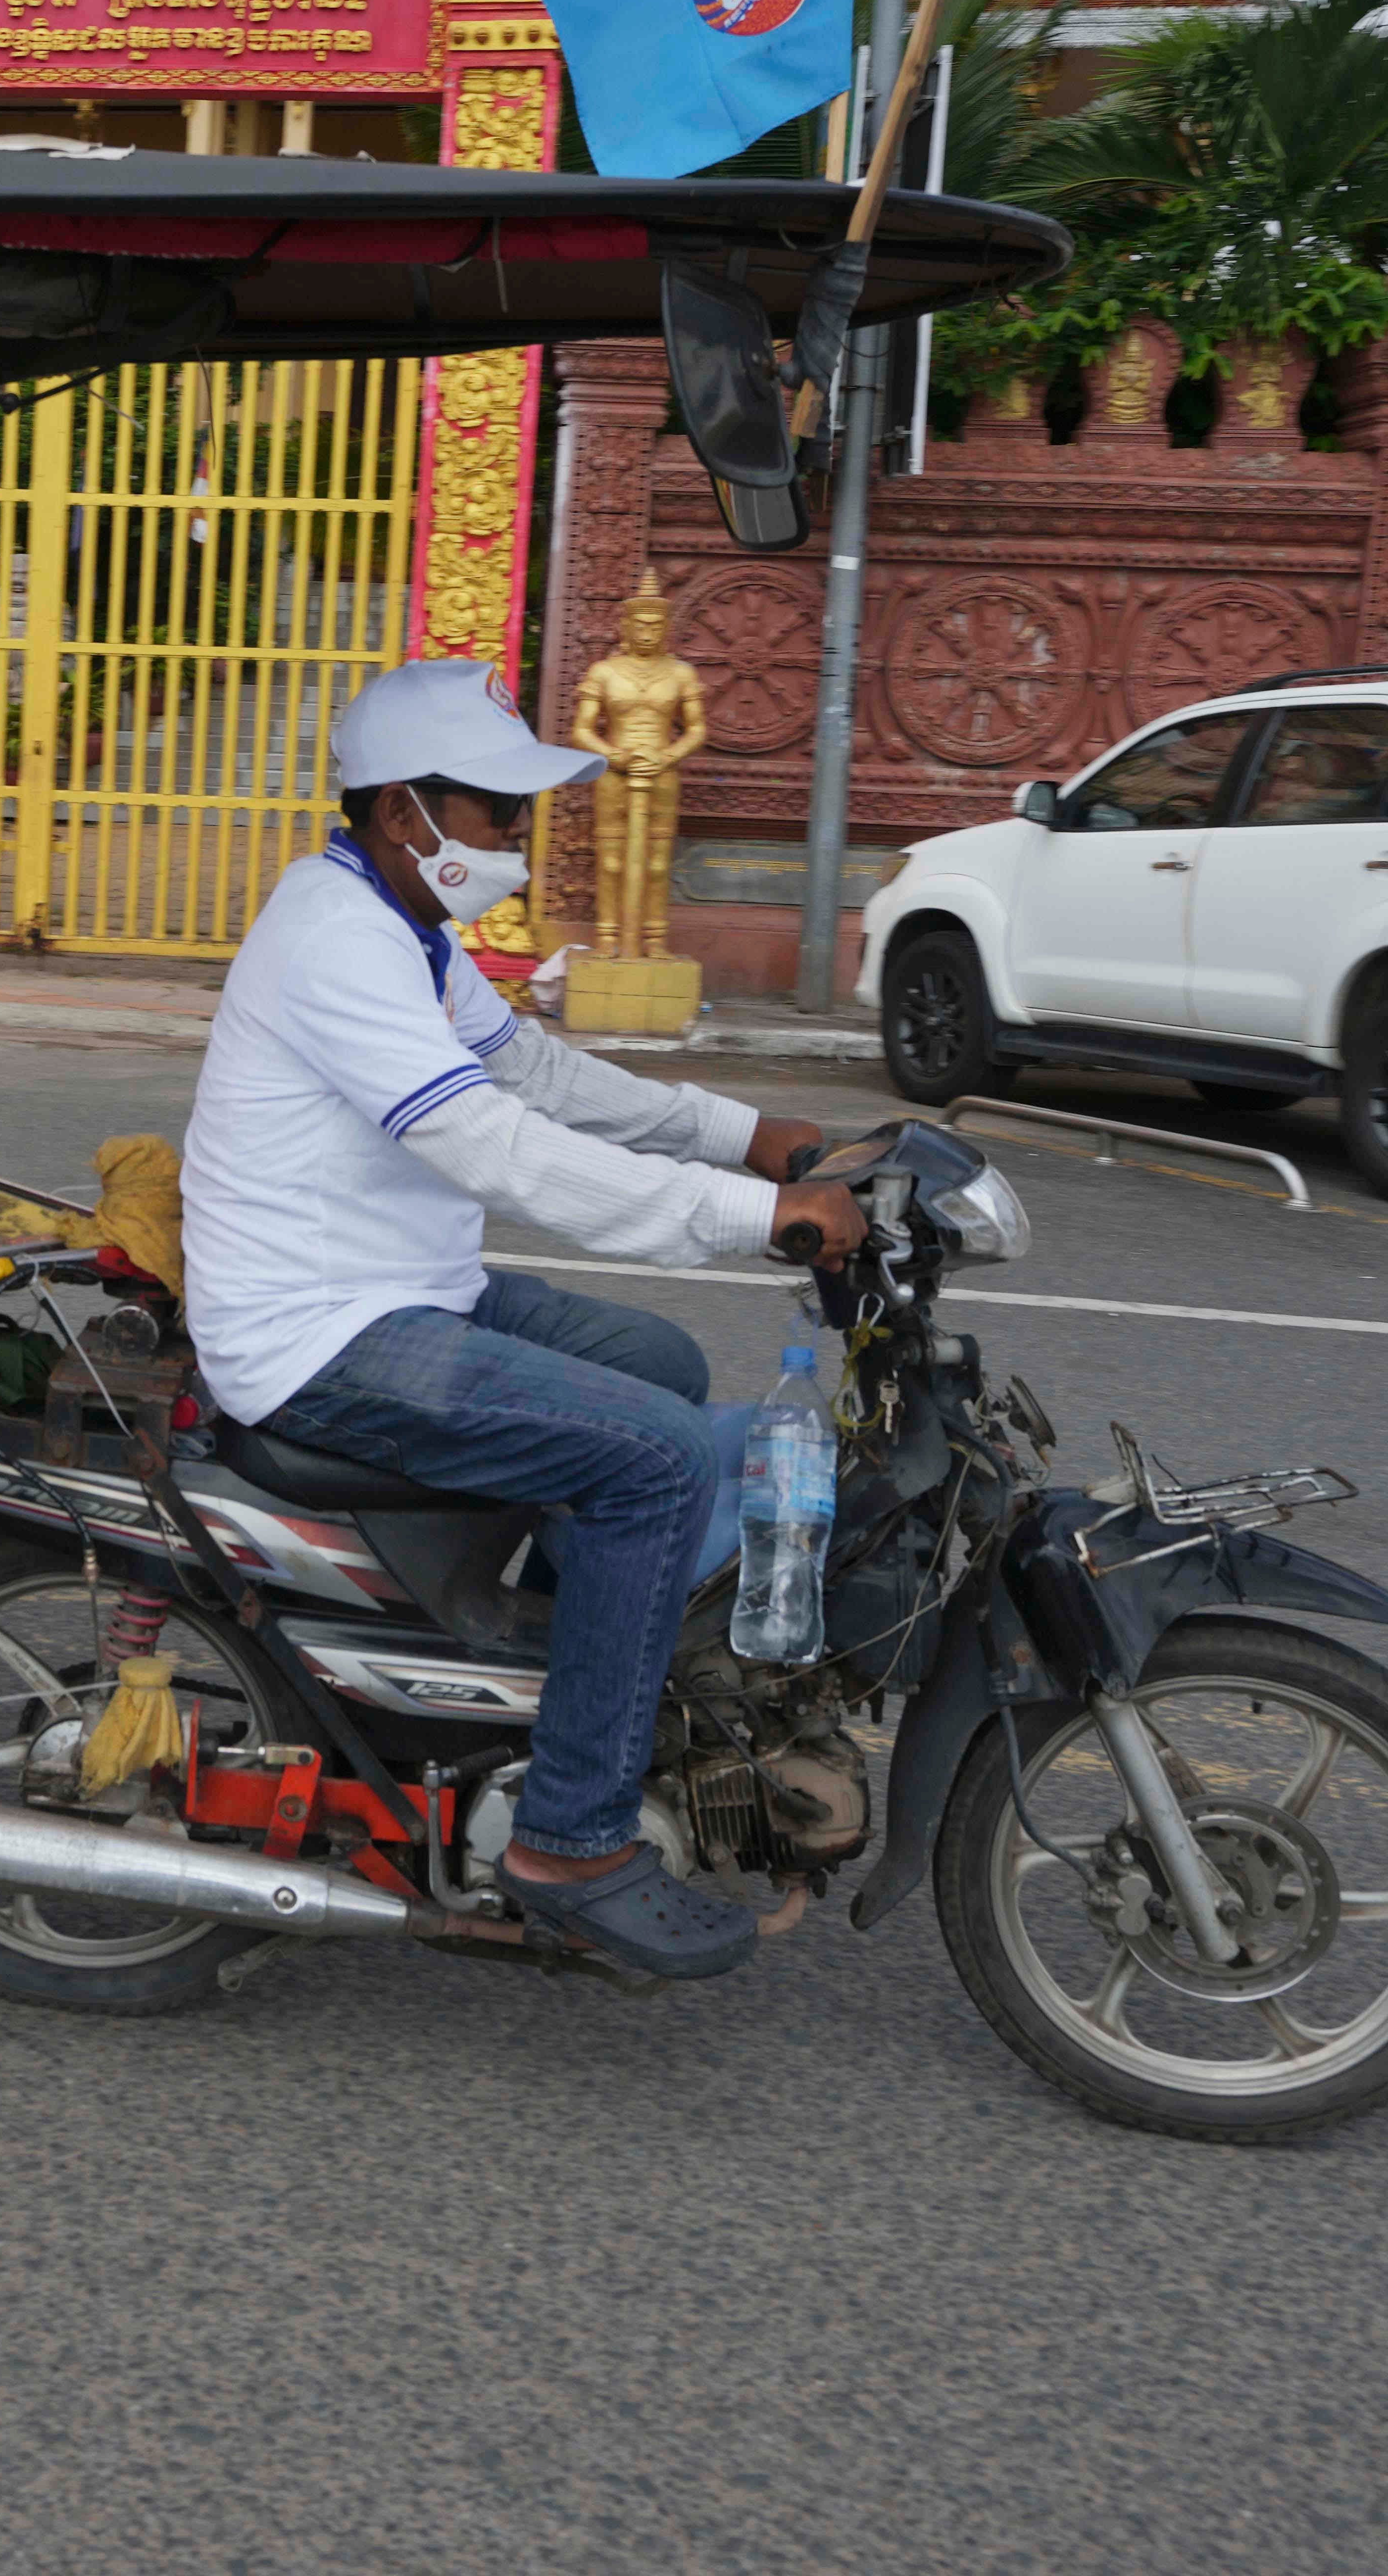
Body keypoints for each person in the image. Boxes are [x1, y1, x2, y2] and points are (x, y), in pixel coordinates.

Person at [178, 656, 863, 1984]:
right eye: (494, 814)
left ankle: (557, 1670)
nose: (512, 841)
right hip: (324, 1338)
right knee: (658, 1456)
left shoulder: (404, 932)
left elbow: (535, 1071)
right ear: (402, 815)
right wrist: (745, 1215)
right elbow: (498, 1149)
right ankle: (572, 1839)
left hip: (405, 1289)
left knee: (657, 1363)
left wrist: (750, 1137)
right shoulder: (336, 940)